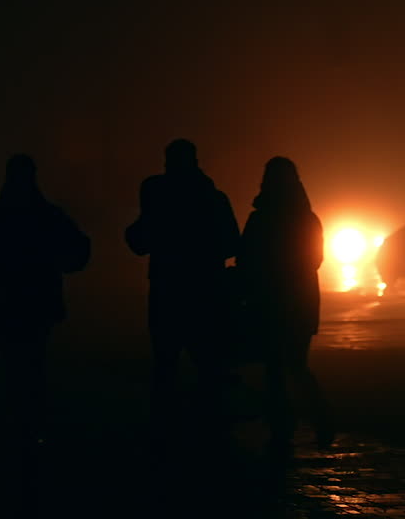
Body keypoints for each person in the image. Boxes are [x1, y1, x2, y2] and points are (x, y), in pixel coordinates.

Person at [0, 155, 90, 448]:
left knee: (12, 363)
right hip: (39, 300)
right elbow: (79, 249)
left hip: (6, 300)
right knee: (35, 362)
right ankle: (33, 424)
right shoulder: (48, 215)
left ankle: (16, 424)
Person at [125, 139, 240, 432]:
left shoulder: (156, 193)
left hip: (167, 289)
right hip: (207, 291)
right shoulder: (214, 198)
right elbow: (232, 243)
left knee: (165, 364)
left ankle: (166, 430)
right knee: (208, 365)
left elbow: (139, 241)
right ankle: (211, 431)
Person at [237, 156, 335, 451]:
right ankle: (322, 421)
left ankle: (282, 427)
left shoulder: (260, 219)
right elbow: (315, 260)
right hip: (301, 300)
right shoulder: (307, 219)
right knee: (297, 365)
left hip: (267, 300)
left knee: (275, 368)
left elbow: (245, 259)